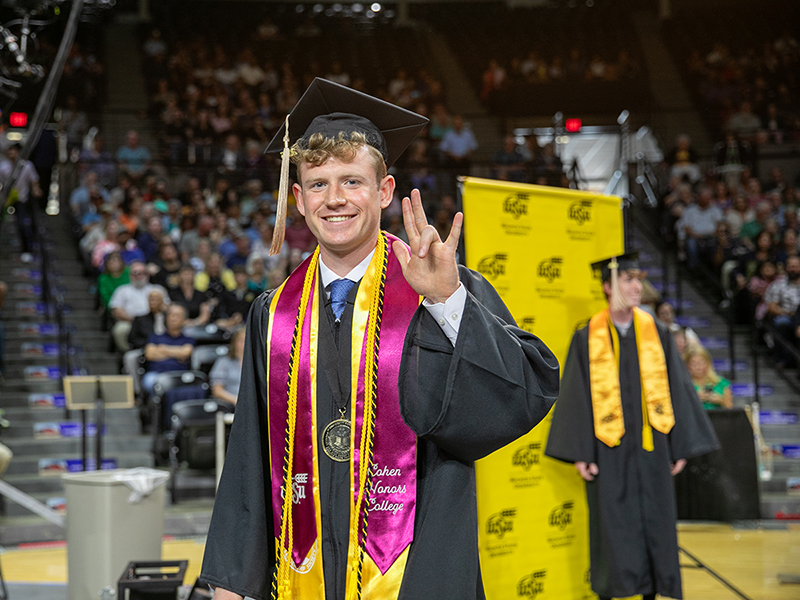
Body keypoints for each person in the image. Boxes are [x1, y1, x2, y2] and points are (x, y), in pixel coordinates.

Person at [200, 78, 560, 600]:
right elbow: (251, 457)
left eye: (352, 181)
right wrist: (231, 583)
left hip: (419, 571)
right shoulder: (272, 314)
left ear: (385, 191)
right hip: (303, 573)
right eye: (318, 185)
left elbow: (522, 393)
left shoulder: (438, 289)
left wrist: (447, 302)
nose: (334, 199)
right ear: (297, 199)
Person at [545, 251, 719, 600]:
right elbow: (577, 395)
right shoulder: (587, 337)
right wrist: (581, 452)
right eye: (628, 280)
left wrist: (679, 445)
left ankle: (652, 592)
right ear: (608, 287)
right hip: (608, 449)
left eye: (639, 280)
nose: (637, 287)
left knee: (656, 521)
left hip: (652, 448)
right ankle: (612, 591)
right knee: (612, 524)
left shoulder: (658, 334)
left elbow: (678, 388)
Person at [0, 144, 43, 263]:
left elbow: (34, 181)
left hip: (21, 198)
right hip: (7, 199)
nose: (11, 155)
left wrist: (36, 189)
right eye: (10, 152)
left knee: (22, 224)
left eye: (14, 152)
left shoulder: (27, 166)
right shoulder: (3, 167)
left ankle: (26, 250)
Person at [209, 328, 245, 405]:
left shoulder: (258, 362)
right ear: (234, 343)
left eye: (247, 341)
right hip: (229, 403)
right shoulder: (223, 362)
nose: (244, 344)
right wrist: (236, 401)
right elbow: (217, 390)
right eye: (241, 341)